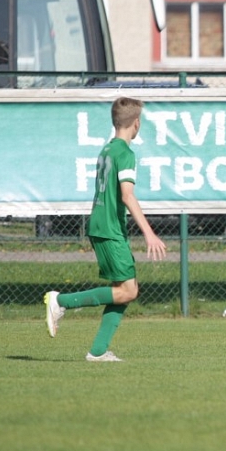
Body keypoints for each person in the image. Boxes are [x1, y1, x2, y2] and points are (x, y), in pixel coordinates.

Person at [44, 96, 167, 361]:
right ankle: (61, 301)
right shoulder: (125, 153)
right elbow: (127, 196)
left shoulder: (107, 150)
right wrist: (149, 233)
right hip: (109, 229)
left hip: (104, 226)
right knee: (129, 290)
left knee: (125, 288)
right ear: (136, 123)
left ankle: (98, 351)